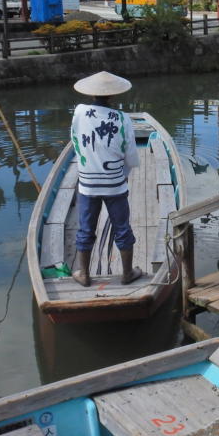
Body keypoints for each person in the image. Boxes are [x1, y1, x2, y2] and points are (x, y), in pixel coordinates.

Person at [69, 71, 143, 286]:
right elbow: (131, 157)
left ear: (92, 95)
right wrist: (123, 174)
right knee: (123, 229)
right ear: (112, 97)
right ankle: (127, 273)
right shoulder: (122, 119)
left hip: (87, 185)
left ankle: (83, 274)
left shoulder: (80, 112)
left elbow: (75, 141)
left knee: (85, 229)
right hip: (115, 186)